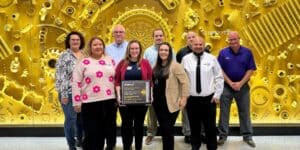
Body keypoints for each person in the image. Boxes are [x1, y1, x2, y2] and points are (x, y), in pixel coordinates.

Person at [72, 37, 117, 150]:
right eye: (95, 45)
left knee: (107, 130)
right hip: (90, 102)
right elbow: (76, 82)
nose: (98, 47)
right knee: (92, 133)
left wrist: (118, 97)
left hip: (109, 101)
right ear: (90, 47)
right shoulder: (83, 62)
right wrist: (76, 102)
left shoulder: (110, 60)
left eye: (100, 44)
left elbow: (116, 80)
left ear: (103, 46)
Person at [182, 36, 224, 150]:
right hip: (192, 100)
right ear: (192, 45)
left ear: (204, 45)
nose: (198, 46)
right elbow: (182, 79)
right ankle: (195, 147)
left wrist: (217, 95)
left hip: (209, 100)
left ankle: (212, 147)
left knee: (210, 128)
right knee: (194, 127)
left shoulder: (211, 58)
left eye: (201, 44)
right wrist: (183, 96)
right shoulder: (185, 59)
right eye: (196, 44)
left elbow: (219, 77)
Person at [217, 31, 257, 148]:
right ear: (228, 41)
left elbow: (250, 70)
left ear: (239, 39)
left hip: (243, 87)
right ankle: (222, 136)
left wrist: (240, 83)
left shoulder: (247, 52)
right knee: (224, 112)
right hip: (226, 87)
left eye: (235, 39)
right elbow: (220, 70)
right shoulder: (223, 53)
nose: (233, 42)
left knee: (244, 112)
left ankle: (247, 136)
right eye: (230, 40)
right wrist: (230, 83)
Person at [115, 40, 152, 150]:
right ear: (128, 50)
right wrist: (119, 96)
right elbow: (117, 80)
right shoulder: (122, 63)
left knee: (139, 126)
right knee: (126, 125)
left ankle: (138, 147)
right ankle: (127, 146)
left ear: (140, 50)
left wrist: (151, 95)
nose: (134, 51)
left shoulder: (145, 63)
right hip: (125, 101)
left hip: (141, 101)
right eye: (132, 48)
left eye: (136, 48)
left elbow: (150, 80)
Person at [152, 42, 190, 150]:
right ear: (158, 52)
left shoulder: (176, 66)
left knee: (168, 129)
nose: (163, 52)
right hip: (158, 103)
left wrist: (184, 98)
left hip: (171, 103)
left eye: (166, 50)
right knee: (164, 129)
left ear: (170, 53)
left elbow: (185, 82)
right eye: (161, 50)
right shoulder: (156, 66)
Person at [55, 31, 85, 150]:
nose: (75, 42)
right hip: (68, 92)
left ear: (81, 41)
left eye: (77, 40)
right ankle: (71, 145)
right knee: (71, 119)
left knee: (81, 119)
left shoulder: (85, 55)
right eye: (73, 40)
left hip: (83, 93)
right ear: (68, 41)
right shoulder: (64, 56)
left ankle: (80, 140)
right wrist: (64, 94)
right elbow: (60, 76)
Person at [105, 24, 128, 149]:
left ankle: (127, 143)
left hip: (127, 87)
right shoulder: (106, 49)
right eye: (116, 32)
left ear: (125, 33)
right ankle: (110, 143)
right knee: (110, 117)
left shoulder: (131, 47)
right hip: (110, 86)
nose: (118, 34)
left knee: (127, 118)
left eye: (121, 32)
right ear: (112, 34)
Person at [176, 31, 196, 144]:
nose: (192, 39)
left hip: (201, 88)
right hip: (185, 86)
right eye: (189, 38)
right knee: (186, 111)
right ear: (186, 40)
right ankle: (187, 133)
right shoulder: (181, 53)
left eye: (193, 37)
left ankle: (201, 133)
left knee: (199, 111)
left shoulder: (205, 50)